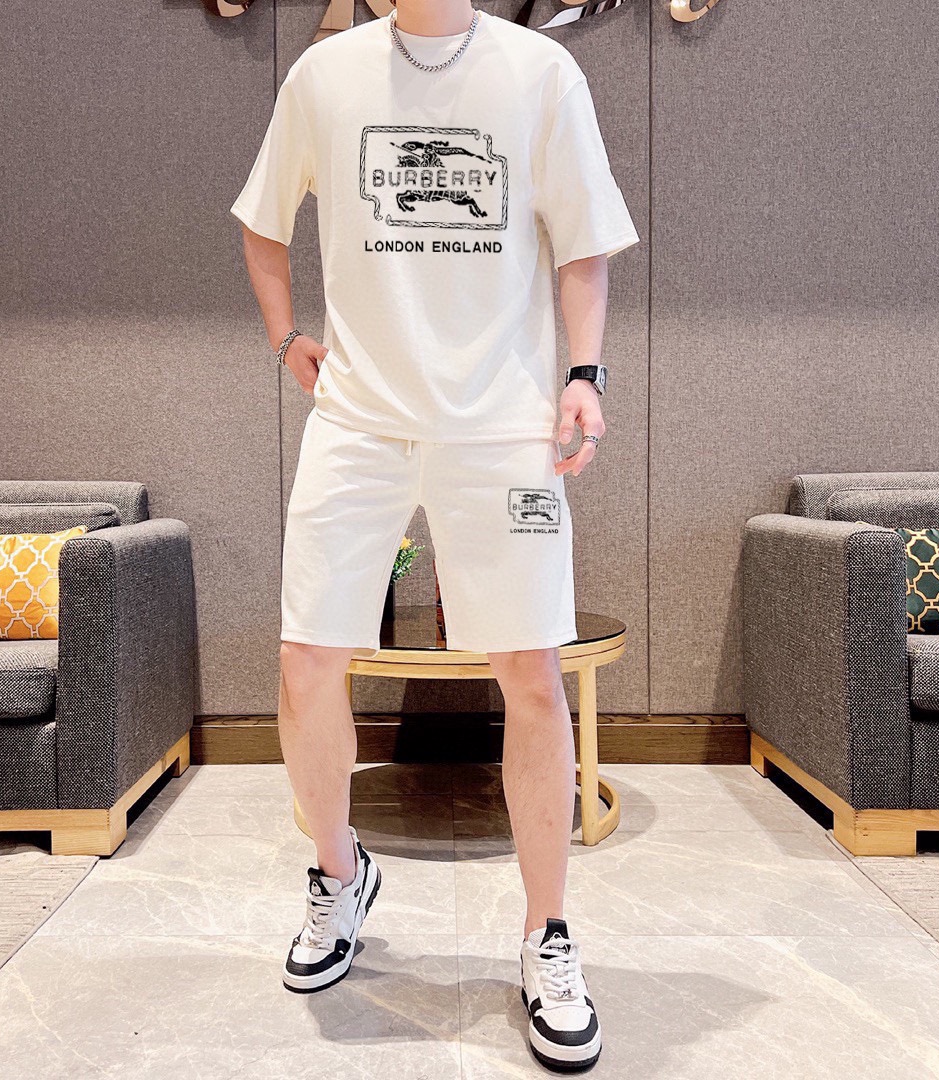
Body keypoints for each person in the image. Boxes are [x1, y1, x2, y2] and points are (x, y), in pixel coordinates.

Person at [230, 0, 638, 1070]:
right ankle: (339, 874)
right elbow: (262, 221)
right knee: (306, 661)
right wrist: (286, 337)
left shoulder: (541, 73)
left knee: (532, 674)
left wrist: (584, 374)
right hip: (358, 421)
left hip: (503, 424)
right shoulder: (325, 76)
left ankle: (547, 934)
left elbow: (584, 242)